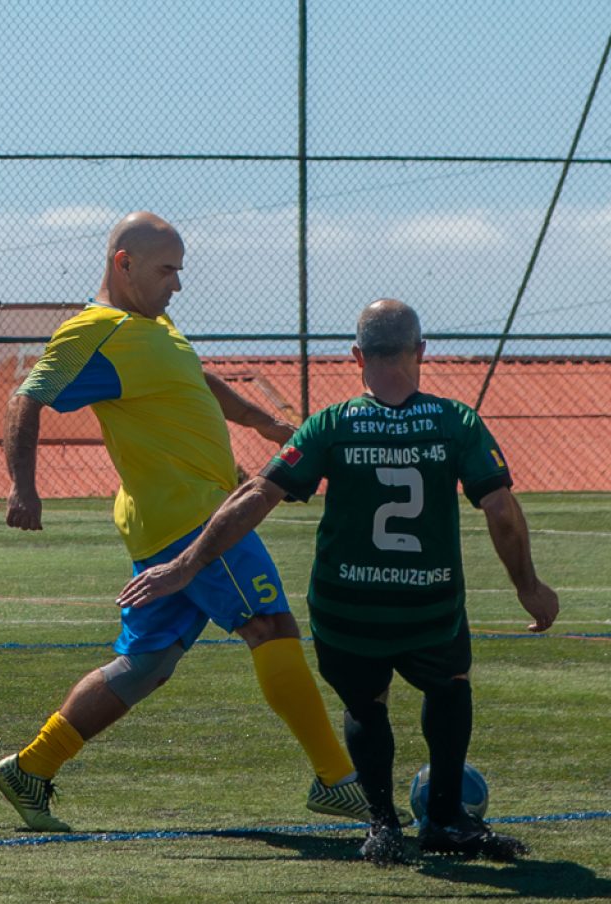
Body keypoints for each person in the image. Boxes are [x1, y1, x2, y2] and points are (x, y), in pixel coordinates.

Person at [117, 298, 560, 865]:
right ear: (420, 351)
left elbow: (257, 495)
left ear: (356, 356)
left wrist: (185, 565)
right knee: (449, 686)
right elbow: (499, 508)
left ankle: (381, 826)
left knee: (365, 702)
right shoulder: (457, 422)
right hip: (429, 603)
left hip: (346, 607)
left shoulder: (332, 424)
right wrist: (528, 584)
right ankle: (447, 820)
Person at [0, 211, 374, 832]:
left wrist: (262, 424)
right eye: (167, 270)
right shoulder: (94, 330)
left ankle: (31, 768)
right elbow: (25, 397)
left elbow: (197, 378)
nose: (177, 284)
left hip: (161, 522)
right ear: (125, 264)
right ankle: (338, 780)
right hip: (194, 517)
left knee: (147, 663)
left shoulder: (154, 325)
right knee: (270, 624)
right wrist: (23, 486)